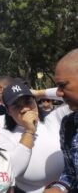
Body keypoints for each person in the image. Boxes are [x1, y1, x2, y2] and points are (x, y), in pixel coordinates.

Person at [0, 79, 63, 192]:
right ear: (8, 111)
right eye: (16, 106)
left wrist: (40, 93)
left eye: (28, 101)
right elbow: (12, 171)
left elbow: (73, 93)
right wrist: (29, 131)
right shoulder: (3, 136)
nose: (25, 109)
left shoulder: (52, 120)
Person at [44, 49, 78, 193]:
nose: (58, 93)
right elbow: (71, 175)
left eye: (63, 85)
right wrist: (58, 189)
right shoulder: (69, 124)